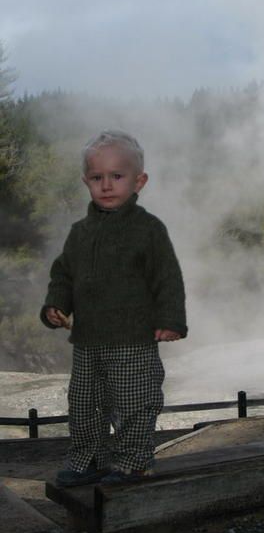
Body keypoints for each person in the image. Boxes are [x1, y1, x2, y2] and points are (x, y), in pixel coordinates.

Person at [40, 130, 187, 486]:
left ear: (140, 181)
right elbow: (62, 275)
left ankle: (133, 462)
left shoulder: (149, 230)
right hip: (88, 340)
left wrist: (170, 320)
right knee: (84, 404)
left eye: (117, 176)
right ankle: (88, 460)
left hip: (133, 340)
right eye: (97, 177)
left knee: (134, 402)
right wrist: (54, 306)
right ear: (86, 181)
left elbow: (167, 278)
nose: (106, 185)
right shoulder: (80, 232)